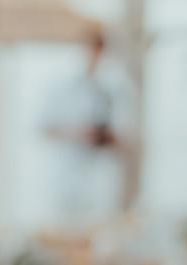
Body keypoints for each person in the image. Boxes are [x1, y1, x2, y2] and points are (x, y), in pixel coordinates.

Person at [41, 28, 135, 224]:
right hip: (67, 174)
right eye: (90, 49)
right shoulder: (62, 85)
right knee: (66, 226)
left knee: (102, 225)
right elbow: (44, 127)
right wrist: (77, 133)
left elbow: (125, 135)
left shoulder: (115, 86)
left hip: (101, 175)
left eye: (98, 50)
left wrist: (107, 136)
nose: (94, 55)